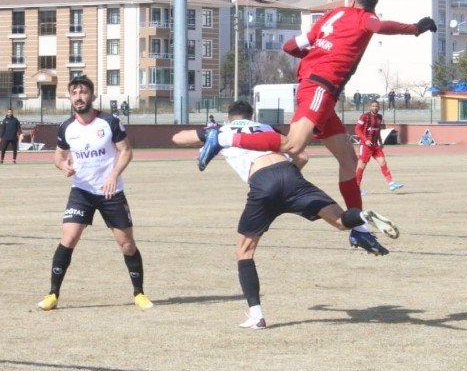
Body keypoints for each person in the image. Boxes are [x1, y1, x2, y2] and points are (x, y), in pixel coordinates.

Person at [199, 0, 434, 249]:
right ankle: (222, 137)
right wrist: (415, 28)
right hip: (320, 87)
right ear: (368, 6)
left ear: (351, 0)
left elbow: (290, 45)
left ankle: (359, 229)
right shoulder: (364, 17)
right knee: (293, 146)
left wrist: (315, 53)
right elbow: (379, 27)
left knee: (348, 159)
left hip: (319, 90)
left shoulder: (328, 17)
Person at [172, 101, 398, 328]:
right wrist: (288, 183)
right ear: (252, 116)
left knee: (244, 251)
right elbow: (302, 157)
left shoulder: (223, 131)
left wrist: (209, 131)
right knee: (340, 221)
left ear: (229, 118)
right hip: (291, 177)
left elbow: (178, 138)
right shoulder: (267, 128)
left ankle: (256, 315)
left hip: (262, 183)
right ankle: (363, 217)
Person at [36, 75, 152, 312]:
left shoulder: (109, 122)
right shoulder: (66, 127)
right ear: (70, 97)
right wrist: (63, 165)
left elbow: (126, 151)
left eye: (83, 92)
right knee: (68, 239)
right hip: (81, 191)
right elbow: (59, 155)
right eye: (74, 93)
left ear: (92, 96)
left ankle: (139, 293)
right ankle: (53, 295)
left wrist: (113, 175)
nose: (79, 97)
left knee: (127, 244)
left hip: (111, 192)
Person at [355, 100, 404, 192]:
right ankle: (356, 188)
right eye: (373, 106)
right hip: (365, 145)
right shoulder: (364, 116)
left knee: (383, 162)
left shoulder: (380, 117)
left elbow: (377, 130)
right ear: (370, 107)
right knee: (362, 165)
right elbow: (357, 129)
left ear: (379, 107)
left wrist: (380, 141)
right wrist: (365, 140)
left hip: (375, 145)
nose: (375, 108)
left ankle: (391, 183)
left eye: (377, 106)